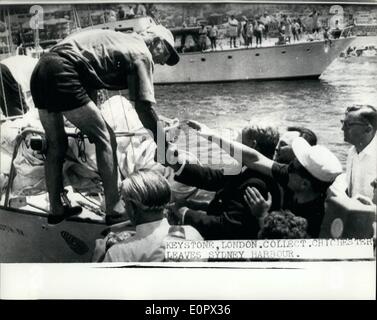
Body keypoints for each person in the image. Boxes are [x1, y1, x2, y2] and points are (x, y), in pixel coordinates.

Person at [30, 25, 180, 225]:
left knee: (56, 143)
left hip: (41, 69)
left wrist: (91, 121)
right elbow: (144, 109)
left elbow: (88, 74)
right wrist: (163, 147)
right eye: (166, 54)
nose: (162, 62)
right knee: (106, 139)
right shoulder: (142, 53)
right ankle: (114, 209)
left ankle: (56, 209)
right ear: (156, 42)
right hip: (62, 71)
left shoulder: (118, 40)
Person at [187, 120, 343, 238]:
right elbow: (254, 158)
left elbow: (278, 250)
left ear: (304, 184)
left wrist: (262, 216)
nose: (285, 168)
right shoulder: (293, 177)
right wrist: (212, 136)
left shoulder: (315, 219)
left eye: (292, 167)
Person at [166, 125, 282, 240]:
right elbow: (214, 178)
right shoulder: (251, 169)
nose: (232, 145)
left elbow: (228, 227)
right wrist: (176, 165)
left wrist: (186, 214)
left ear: (252, 145)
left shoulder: (255, 183)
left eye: (237, 142)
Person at [93, 170, 203, 262]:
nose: (124, 207)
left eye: (124, 201)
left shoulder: (119, 253)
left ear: (132, 206)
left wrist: (99, 254)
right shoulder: (193, 234)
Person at [338, 105, 377, 202]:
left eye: (348, 125)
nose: (342, 128)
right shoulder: (352, 152)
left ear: (368, 129)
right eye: (343, 123)